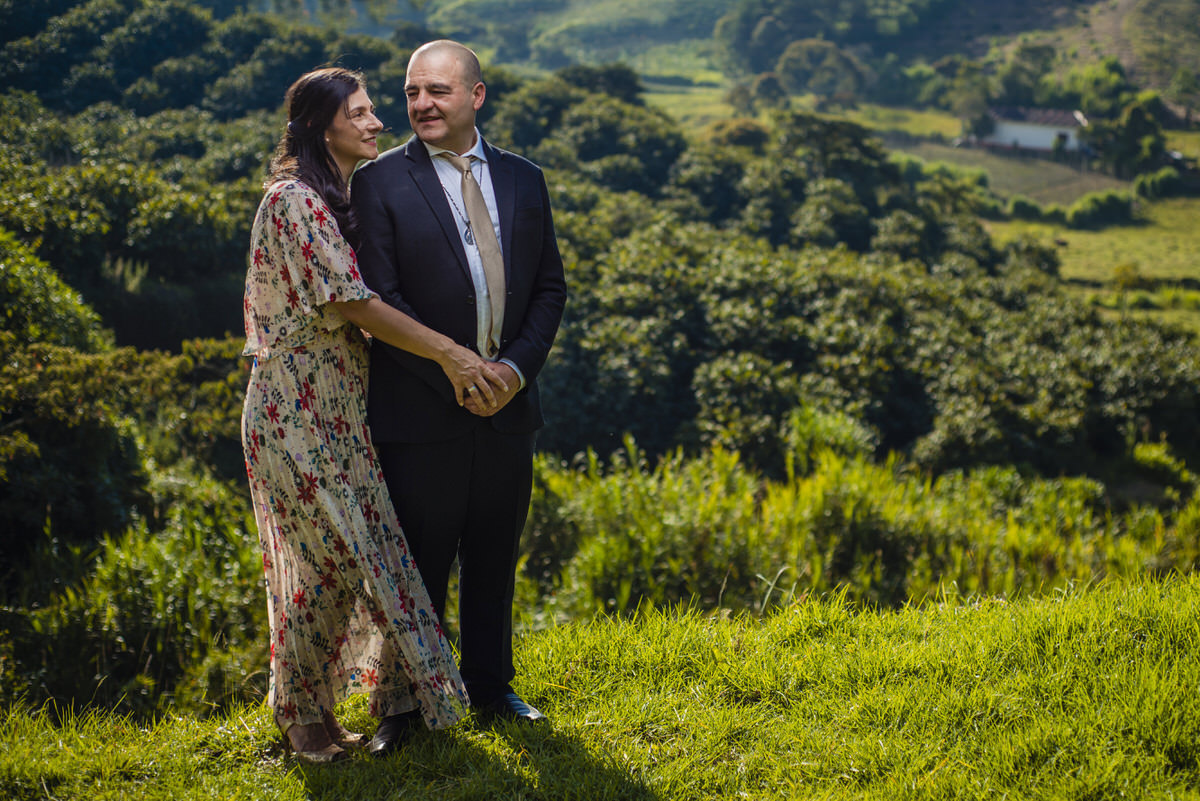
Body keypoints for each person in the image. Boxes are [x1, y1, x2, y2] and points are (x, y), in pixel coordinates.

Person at [241, 67, 505, 763]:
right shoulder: (293, 200)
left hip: (339, 409)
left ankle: (319, 711)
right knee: (327, 560)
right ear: (321, 123)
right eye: (359, 112)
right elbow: (354, 303)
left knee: (345, 561)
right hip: (293, 408)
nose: (376, 123)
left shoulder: (336, 197)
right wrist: (451, 352)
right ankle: (297, 715)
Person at [350, 40, 567, 740]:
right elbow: (381, 300)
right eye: (412, 92)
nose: (421, 105)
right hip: (419, 410)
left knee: (495, 552)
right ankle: (405, 706)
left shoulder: (525, 179)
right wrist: (455, 371)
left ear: (476, 96)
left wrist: (512, 372)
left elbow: (550, 290)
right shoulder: (378, 183)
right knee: (418, 562)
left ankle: (491, 688)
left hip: (509, 408)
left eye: (438, 91)